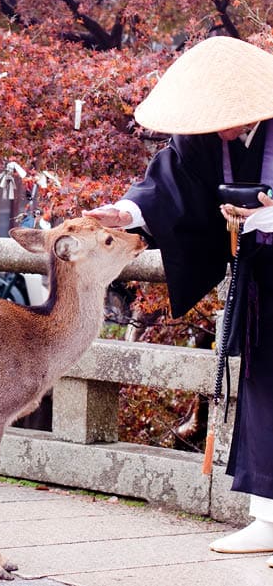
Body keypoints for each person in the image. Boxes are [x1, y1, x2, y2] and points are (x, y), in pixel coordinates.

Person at [85, 36, 273, 566]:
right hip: (263, 279)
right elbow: (166, 187)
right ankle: (268, 518)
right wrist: (125, 213)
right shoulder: (201, 140)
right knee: (264, 393)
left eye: (228, 117)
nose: (221, 129)